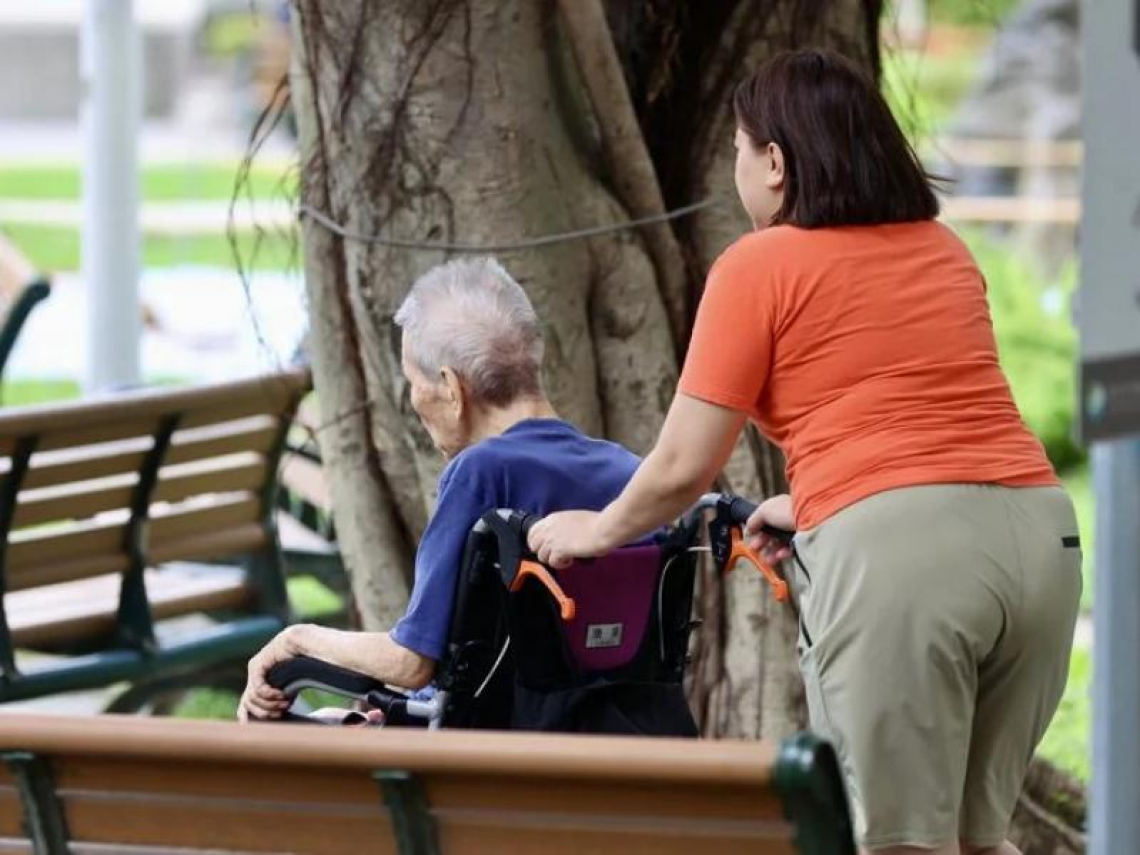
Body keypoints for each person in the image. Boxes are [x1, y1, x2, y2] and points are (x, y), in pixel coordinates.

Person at [527, 49, 1080, 855]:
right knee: (977, 838)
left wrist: (597, 530)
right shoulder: (942, 249)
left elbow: (683, 467)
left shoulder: (759, 264)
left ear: (776, 163)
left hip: (905, 567)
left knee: (893, 842)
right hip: (1040, 543)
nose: (737, 171)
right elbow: (935, 431)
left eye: (739, 151)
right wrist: (815, 502)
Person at [238, 257, 639, 722]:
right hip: (617, 736)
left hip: (493, 748)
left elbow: (411, 662)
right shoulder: (628, 472)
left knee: (284, 725)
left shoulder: (481, 474)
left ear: (450, 387)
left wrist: (296, 639)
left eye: (413, 381)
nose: (413, 399)